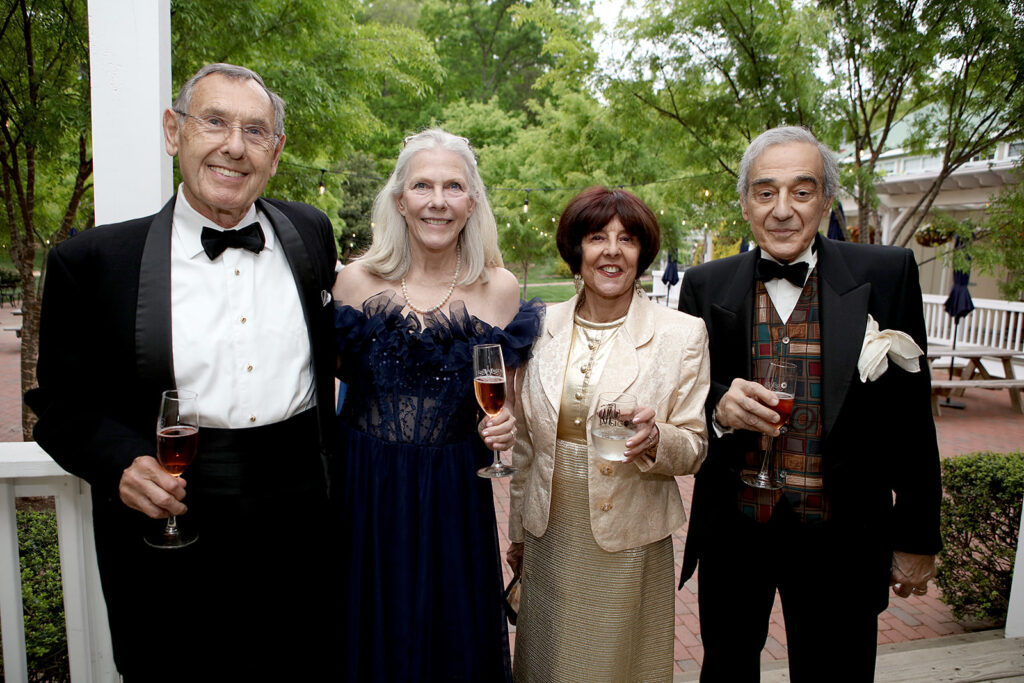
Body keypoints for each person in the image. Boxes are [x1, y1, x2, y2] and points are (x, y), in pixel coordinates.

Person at [26, 63, 338, 680]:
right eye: (214, 121)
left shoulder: (311, 232)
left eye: (255, 131)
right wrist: (121, 462)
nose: (233, 146)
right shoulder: (91, 262)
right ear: (174, 132)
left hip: (300, 526)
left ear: (275, 154)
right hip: (169, 526)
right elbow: (58, 405)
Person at [677, 126, 942, 682]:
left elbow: (911, 417)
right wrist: (721, 406)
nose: (782, 210)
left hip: (841, 538)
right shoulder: (704, 285)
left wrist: (916, 535)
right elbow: (686, 396)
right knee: (725, 669)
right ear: (746, 201)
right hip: (735, 534)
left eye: (802, 191)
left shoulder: (885, 274)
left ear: (826, 199)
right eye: (765, 191)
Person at [331, 128, 543, 682]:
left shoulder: (498, 288)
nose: (438, 201)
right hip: (366, 493)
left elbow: (505, 407)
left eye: (453, 186)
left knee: (451, 647)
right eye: (422, 185)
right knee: (370, 639)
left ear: (472, 202)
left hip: (453, 493)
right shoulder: (355, 282)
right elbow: (328, 387)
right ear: (400, 199)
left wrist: (502, 427)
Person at [507, 187, 710, 682]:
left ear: (643, 254)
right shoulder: (537, 326)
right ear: (577, 251)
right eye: (597, 237)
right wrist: (518, 531)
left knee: (614, 664)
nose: (612, 250)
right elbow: (527, 446)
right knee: (548, 661)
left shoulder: (681, 334)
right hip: (550, 530)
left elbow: (696, 445)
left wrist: (658, 439)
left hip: (629, 535)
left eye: (627, 239)